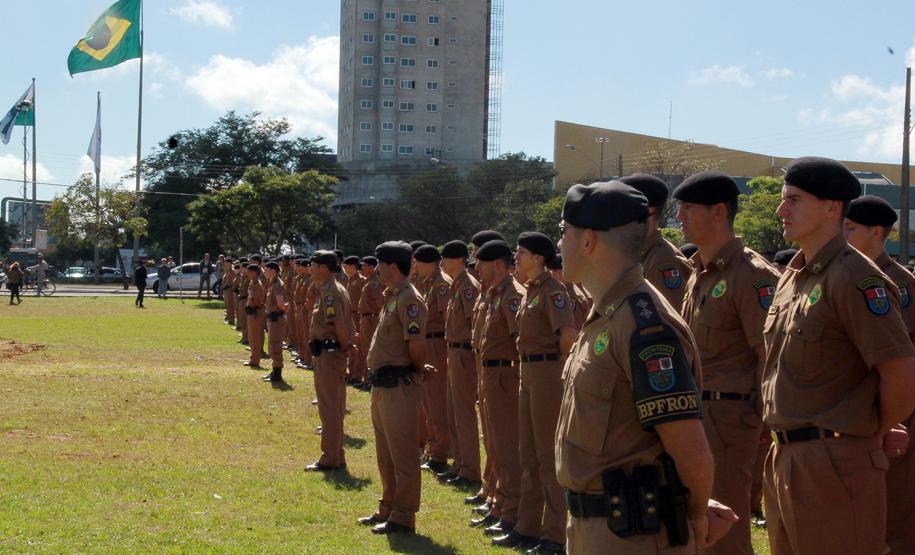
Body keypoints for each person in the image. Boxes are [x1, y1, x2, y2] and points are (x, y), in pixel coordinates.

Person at [555, 180, 737, 554]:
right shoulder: (607, 314)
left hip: (631, 535)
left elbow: (691, 450)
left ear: (588, 240)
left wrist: (697, 513)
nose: (558, 244)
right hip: (596, 527)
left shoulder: (643, 325)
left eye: (563, 233)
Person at [762, 157, 915, 555]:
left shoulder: (855, 278)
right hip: (784, 455)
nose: (782, 210)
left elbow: (901, 375)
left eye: (793, 200)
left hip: (834, 461)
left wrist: (866, 431)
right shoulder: (792, 279)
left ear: (832, 208)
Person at [673, 170, 780, 555]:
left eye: (688, 207)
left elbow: (769, 356)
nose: (680, 216)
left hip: (731, 418)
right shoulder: (698, 274)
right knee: (699, 524)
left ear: (718, 211)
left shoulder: (753, 275)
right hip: (698, 412)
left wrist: (755, 420)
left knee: (725, 531)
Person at [494, 232, 577, 552]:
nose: (516, 257)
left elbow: (568, 335)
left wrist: (559, 374)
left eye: (522, 253)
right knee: (527, 453)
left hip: (546, 373)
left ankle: (554, 534)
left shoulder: (554, 290)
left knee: (546, 455)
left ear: (539, 258)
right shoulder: (530, 290)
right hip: (527, 371)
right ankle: (527, 527)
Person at [842, 194, 915, 554]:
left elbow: (900, 358)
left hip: (898, 417)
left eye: (850, 228)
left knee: (896, 513)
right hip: (857, 416)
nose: (843, 235)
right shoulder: (845, 276)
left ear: (876, 232)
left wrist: (894, 419)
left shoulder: (898, 284)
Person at [358, 241, 428, 535]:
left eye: (380, 264)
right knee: (385, 452)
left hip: (399, 385)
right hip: (382, 387)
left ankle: (403, 515)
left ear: (393, 266)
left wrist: (416, 369)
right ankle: (388, 505)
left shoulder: (410, 300)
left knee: (403, 454)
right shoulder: (393, 297)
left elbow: (416, 345)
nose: (376, 270)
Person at [474, 239, 525, 538]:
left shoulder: (512, 295)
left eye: (481, 262)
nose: (476, 268)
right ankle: (499, 504)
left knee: (507, 447)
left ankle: (511, 512)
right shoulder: (493, 293)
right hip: (489, 374)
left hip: (505, 376)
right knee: (494, 444)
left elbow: (520, 339)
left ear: (496, 264)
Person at [439, 240, 483, 490]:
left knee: (464, 413)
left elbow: (472, 322)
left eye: (445, 258)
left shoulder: (468, 287)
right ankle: (459, 464)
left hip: (464, 353)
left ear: (458, 260)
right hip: (453, 352)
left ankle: (470, 469)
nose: (442, 263)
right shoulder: (457, 285)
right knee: (453, 411)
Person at [305, 250, 353, 472]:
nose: (310, 269)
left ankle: (330, 457)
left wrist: (344, 347)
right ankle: (337, 454)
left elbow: (339, 326)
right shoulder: (330, 289)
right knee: (333, 406)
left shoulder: (330, 292)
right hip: (329, 353)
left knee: (330, 408)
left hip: (330, 353)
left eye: (313, 265)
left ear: (324, 267)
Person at [620, 173, 693, 311]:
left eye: (624, 207)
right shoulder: (639, 255)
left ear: (647, 211)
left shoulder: (662, 260)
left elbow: (672, 319)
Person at [413, 244, 453, 475]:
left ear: (428, 263)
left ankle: (440, 453)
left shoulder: (442, 285)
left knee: (437, 401)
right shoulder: (429, 284)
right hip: (428, 342)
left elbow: (449, 318)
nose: (415, 266)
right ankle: (433, 448)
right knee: (427, 401)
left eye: (417, 262)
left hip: (438, 344)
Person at [355, 256, 384, 390]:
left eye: (365, 265)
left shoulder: (375, 283)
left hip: (371, 319)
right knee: (364, 349)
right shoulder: (369, 281)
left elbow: (380, 303)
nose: (362, 268)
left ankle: (370, 381)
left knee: (369, 350)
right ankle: (366, 379)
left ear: (372, 267)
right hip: (366, 318)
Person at [261, 261, 288, 382]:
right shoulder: (272, 283)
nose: (265, 271)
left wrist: (285, 308)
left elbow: (281, 304)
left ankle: (277, 373)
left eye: (266, 269)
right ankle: (274, 370)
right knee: (272, 345)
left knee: (275, 345)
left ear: (273, 270)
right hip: (272, 318)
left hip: (277, 318)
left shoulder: (277, 284)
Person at [242, 264, 266, 368]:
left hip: (255, 312)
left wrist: (250, 305)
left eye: (249, 272)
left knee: (255, 337)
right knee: (252, 337)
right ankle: (253, 358)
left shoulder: (257, 284)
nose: (247, 273)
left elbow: (256, 300)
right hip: (251, 312)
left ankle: (255, 360)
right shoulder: (253, 283)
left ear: (254, 273)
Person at [222, 258, 236, 323]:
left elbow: (234, 281)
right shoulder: (227, 271)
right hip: (226, 290)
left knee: (230, 305)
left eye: (226, 263)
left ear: (230, 263)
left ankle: (231, 319)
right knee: (227, 304)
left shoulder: (232, 271)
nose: (225, 265)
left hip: (230, 289)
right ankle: (229, 317)